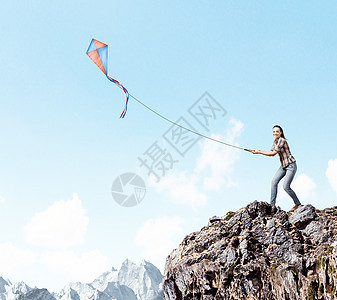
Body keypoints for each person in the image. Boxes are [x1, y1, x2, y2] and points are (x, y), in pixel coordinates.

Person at [251, 125, 301, 211]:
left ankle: (298, 204)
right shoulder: (275, 142)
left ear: (281, 132)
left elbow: (273, 153)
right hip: (283, 166)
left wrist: (259, 152)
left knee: (286, 187)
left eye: (277, 131)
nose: (275, 133)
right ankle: (272, 205)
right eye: (274, 132)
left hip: (291, 165)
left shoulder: (282, 140)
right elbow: (270, 152)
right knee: (274, 182)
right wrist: (257, 151)